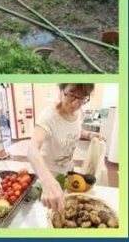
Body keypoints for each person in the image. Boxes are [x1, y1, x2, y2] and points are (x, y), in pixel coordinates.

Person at [28, 84, 103, 213]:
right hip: (49, 177)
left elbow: (74, 130)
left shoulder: (79, 112)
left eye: (83, 98)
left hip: (68, 172)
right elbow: (32, 148)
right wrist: (47, 181)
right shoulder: (49, 117)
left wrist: (89, 135)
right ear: (61, 90)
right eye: (72, 95)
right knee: (48, 214)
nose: (75, 104)